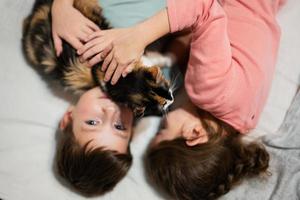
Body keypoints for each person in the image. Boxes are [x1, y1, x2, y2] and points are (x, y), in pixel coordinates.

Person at [77, 0, 285, 199]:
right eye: (163, 129)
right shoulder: (208, 91)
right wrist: (136, 37)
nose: (163, 117)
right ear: (194, 134)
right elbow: (203, 7)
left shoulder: (246, 121)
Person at [50, 0, 169, 196]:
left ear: (68, 117)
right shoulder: (154, 91)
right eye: (119, 127)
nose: (110, 112)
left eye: (92, 122)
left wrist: (61, 8)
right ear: (132, 130)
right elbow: (193, 23)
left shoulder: (71, 56)